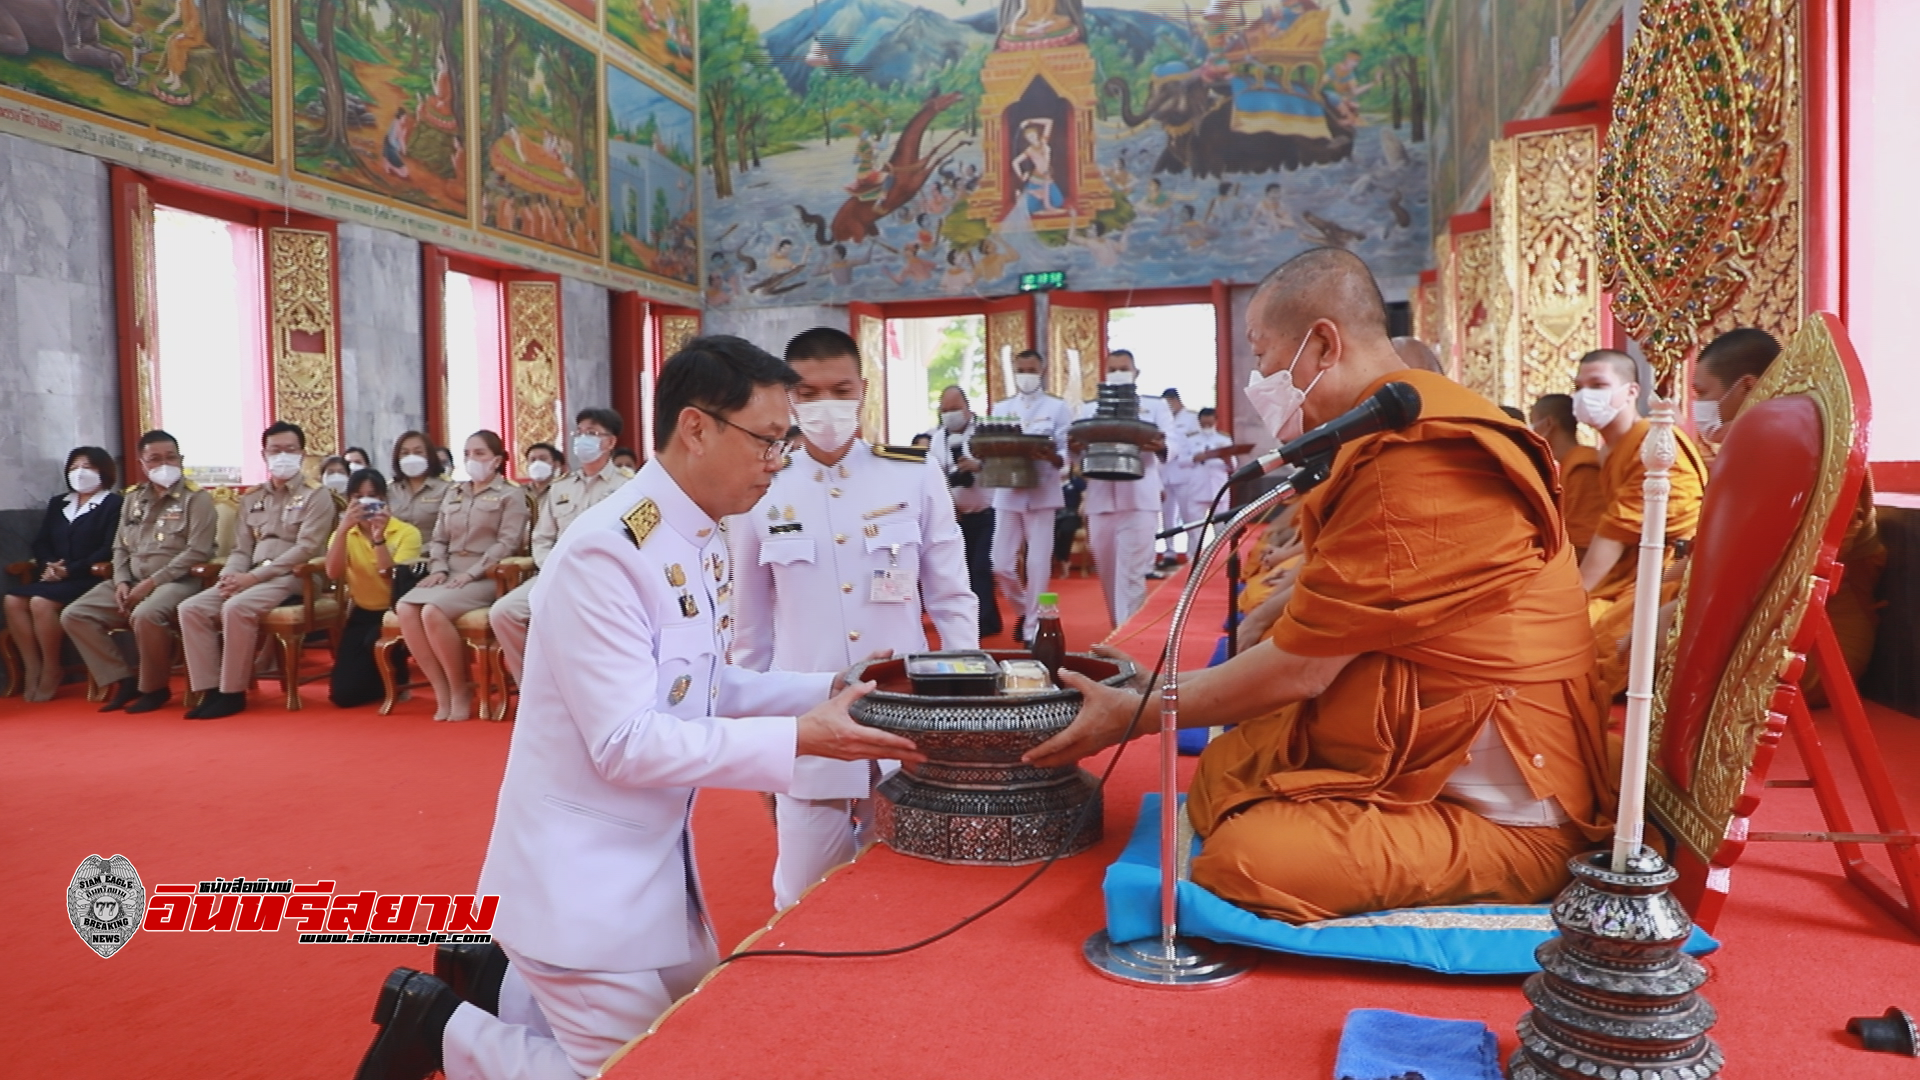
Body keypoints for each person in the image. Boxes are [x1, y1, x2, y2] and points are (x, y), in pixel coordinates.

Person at [348, 336, 921, 1080]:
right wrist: (801, 741)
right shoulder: (607, 554)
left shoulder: (699, 533)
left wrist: (831, 691)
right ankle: (442, 1027)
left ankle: (499, 992)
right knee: (634, 1070)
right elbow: (626, 742)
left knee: (698, 1033)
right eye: (768, 441)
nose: (778, 463)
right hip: (577, 885)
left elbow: (710, 688)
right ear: (696, 428)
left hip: (652, 869)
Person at [1026, 248, 1617, 923]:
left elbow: (1303, 671)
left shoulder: (1422, 457)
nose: (1259, 377)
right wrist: (1149, 693)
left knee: (1245, 859)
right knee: (1226, 775)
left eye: (1262, 353)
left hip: (1510, 806)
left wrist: (1131, 716)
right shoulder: (1392, 434)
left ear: (1323, 343)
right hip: (1431, 734)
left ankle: (1505, 859)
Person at [731, 327, 978, 910]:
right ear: (786, 397)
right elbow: (750, 624)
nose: (825, 405)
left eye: (839, 389)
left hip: (906, 703)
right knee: (801, 889)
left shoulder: (910, 474)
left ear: (863, 388)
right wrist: (759, 743)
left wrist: (966, 698)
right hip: (807, 713)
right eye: (807, 392)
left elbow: (951, 596)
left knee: (908, 879)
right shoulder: (763, 486)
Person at [1691, 328, 1883, 697]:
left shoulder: (1814, 445)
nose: (1697, 406)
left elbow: (1800, 562)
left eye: (1702, 393)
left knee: (1657, 635)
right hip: (1751, 611)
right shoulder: (1748, 447)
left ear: (1747, 387)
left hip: (1815, 636)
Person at [177, 421, 340, 719]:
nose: (282, 456)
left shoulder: (317, 495)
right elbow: (241, 549)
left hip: (295, 577)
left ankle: (232, 693)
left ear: (302, 454)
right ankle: (209, 689)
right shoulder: (252, 498)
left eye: (290, 450)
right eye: (275, 450)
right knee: (192, 608)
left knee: (236, 608)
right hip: (250, 575)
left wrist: (251, 578)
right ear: (264, 455)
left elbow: (305, 548)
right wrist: (231, 576)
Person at [61, 430, 217, 714]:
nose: (164, 464)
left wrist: (151, 583)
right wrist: (121, 581)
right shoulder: (133, 499)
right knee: (75, 614)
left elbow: (197, 551)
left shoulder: (197, 499)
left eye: (171, 457)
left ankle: (154, 688)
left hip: (178, 581)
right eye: (154, 459)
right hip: (131, 580)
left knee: (146, 614)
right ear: (142, 464)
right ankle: (122, 680)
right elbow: (119, 547)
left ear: (181, 459)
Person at [394, 431, 530, 722]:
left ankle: (461, 688)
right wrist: (440, 568)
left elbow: (506, 543)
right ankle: (440, 688)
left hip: (486, 575)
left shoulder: (510, 494)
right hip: (448, 571)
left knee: (432, 611)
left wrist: (471, 573)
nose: (472, 460)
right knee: (405, 608)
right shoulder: (454, 492)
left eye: (480, 454)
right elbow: (439, 538)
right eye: (468, 453)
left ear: (496, 460)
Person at [491, 410, 632, 683]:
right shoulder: (560, 488)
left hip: (604, 578)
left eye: (592, 433)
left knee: (576, 621)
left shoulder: (628, 486)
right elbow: (542, 538)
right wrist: (552, 565)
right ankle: (533, 687)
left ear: (610, 443)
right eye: (579, 432)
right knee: (504, 612)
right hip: (558, 572)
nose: (582, 439)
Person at [1572, 349, 1706, 625]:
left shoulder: (1652, 443)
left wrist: (1574, 597)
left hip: (1671, 569)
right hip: (1630, 569)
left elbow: (1618, 529)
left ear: (1631, 391)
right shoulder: (1609, 451)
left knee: (1588, 630)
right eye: (1578, 388)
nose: (1585, 395)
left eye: (1598, 385)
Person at [1072, 349, 1182, 627]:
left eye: (1124, 368)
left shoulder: (1155, 406)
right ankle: (1118, 630)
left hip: (1139, 500)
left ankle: (1128, 644)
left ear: (1135, 372)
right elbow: (1074, 453)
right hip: (1101, 501)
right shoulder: (1090, 409)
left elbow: (1174, 443)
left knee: (1131, 576)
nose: (1118, 372)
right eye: (1113, 368)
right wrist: (1073, 449)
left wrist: (1162, 446)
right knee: (1108, 576)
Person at [5, 447, 123, 702]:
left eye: (87, 467)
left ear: (103, 471)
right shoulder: (60, 502)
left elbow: (109, 548)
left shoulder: (113, 504)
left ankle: (51, 667)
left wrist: (70, 569)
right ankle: (32, 665)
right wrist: (50, 565)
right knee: (12, 600)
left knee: (40, 603)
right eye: (73, 468)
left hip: (89, 577)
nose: (79, 473)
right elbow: (42, 541)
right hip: (54, 575)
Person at [990, 350, 1073, 642]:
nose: (1026, 374)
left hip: (1042, 491)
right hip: (1008, 492)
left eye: (1031, 369)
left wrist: (1053, 457)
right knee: (1000, 563)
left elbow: (1067, 452)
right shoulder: (1001, 408)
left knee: (1038, 564)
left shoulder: (1057, 407)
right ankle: (1025, 608)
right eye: (1021, 369)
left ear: (1043, 370)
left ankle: (1032, 631)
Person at [325, 470, 423, 709]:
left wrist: (379, 540)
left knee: (375, 643)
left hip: (395, 612)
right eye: (358, 497)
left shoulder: (406, 533)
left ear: (384, 499)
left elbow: (394, 581)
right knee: (343, 695)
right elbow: (333, 573)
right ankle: (378, 679)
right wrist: (343, 530)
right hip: (362, 611)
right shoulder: (345, 533)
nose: (365, 503)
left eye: (372, 496)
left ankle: (398, 673)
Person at [928, 385, 1003, 638]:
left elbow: (1005, 468)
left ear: (967, 408)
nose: (950, 414)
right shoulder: (937, 438)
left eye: (955, 409)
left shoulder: (985, 433)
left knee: (982, 566)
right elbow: (936, 477)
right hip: (957, 515)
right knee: (964, 570)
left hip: (989, 511)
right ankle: (984, 619)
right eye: (945, 410)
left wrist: (978, 466)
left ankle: (983, 623)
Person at [1530, 393, 1603, 558]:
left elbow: (1585, 541)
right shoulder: (1567, 464)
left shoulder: (1583, 467)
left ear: (1548, 424)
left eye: (1533, 424)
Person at [1157, 387, 1203, 567]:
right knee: (1167, 517)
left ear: (1176, 401)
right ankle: (1169, 553)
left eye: (1169, 404)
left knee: (1189, 516)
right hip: (1165, 473)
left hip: (1185, 474)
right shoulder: (1163, 420)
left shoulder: (1192, 419)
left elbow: (1197, 445)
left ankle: (1193, 554)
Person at [388, 431, 451, 537]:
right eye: (405, 453)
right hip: (397, 552)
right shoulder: (390, 489)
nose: (411, 458)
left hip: (431, 552)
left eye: (418, 452)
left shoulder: (446, 488)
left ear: (429, 455)